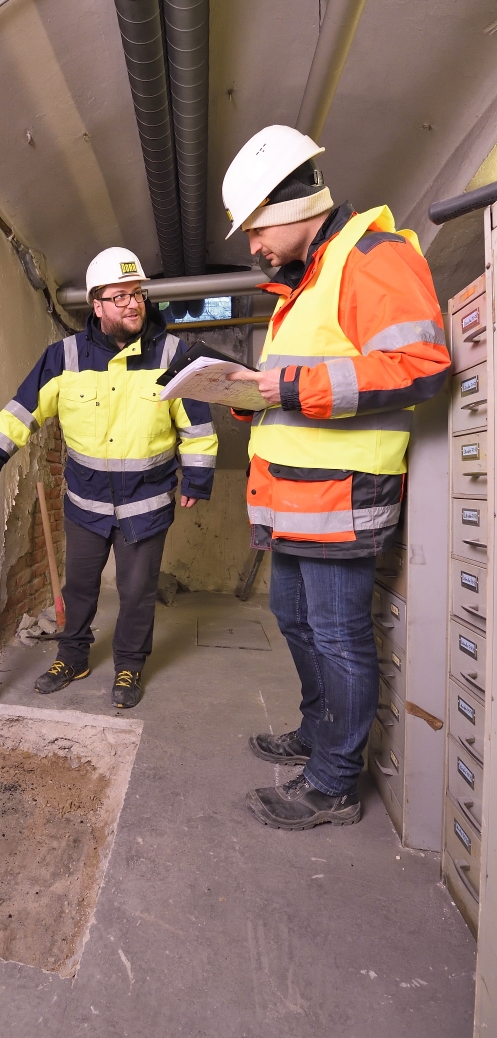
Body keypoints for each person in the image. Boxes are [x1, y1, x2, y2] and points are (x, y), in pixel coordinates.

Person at [220, 125, 450, 829]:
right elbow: (296, 389)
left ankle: (334, 783)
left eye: (254, 230)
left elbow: (419, 367)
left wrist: (282, 387)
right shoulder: (304, 283)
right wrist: (247, 398)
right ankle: (317, 735)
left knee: (340, 636)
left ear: (289, 210)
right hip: (297, 498)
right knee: (294, 619)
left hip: (343, 498)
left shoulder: (371, 256)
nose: (253, 246)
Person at [0, 247, 218, 709]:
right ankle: (72, 656)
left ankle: (129, 666)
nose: (133, 304)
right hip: (86, 503)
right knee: (78, 587)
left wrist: (197, 479)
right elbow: (22, 412)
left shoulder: (172, 353)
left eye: (137, 294)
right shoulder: (63, 357)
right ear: (96, 305)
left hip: (147, 503)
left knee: (137, 592)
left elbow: (196, 424)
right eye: (120, 297)